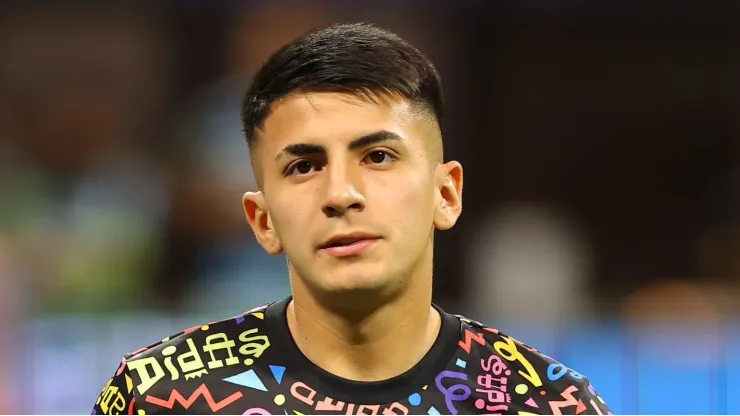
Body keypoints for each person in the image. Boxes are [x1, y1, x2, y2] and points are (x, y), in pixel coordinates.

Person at [91, 22, 612, 415]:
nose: (340, 193)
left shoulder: (547, 404)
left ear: (446, 193)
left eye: (378, 157)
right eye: (303, 166)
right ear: (262, 219)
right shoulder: (161, 396)